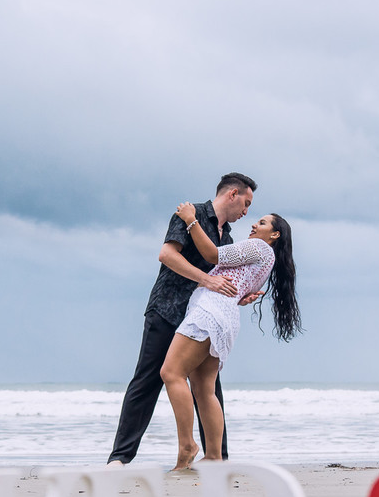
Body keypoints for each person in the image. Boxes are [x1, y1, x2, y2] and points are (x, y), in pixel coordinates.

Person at [106, 173, 260, 466]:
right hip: (168, 308)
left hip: (201, 318)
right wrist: (206, 280)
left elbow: (221, 280)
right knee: (147, 380)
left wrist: (239, 296)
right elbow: (167, 254)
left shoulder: (226, 237)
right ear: (232, 194)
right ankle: (120, 458)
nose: (246, 212)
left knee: (209, 386)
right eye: (246, 203)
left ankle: (217, 458)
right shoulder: (191, 214)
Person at [160, 204, 301, 470]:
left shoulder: (258, 248)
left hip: (209, 312)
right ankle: (214, 456)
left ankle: (187, 446)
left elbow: (213, 255)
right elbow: (239, 292)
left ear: (275, 235)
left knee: (171, 373)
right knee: (204, 390)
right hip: (225, 318)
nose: (253, 225)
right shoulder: (267, 261)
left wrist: (191, 221)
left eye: (261, 223)